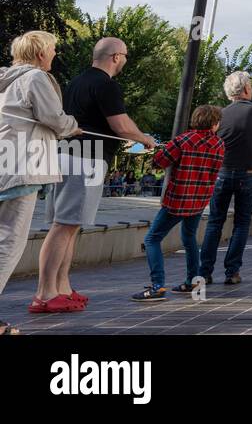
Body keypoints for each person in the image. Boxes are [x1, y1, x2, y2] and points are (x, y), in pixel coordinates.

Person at [33, 37, 155, 315]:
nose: (125, 60)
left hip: (65, 155)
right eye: (124, 55)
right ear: (115, 57)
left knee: (70, 226)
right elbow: (121, 125)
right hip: (85, 160)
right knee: (62, 226)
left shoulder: (77, 82)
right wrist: (144, 138)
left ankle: (62, 287)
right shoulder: (107, 85)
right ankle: (45, 293)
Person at [0, 32, 80, 333]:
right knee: (9, 242)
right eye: (52, 49)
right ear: (40, 53)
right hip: (23, 167)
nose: (55, 53)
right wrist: (72, 126)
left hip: (5, 164)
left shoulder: (6, 80)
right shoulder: (35, 78)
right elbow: (55, 119)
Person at [132, 105, 225, 301]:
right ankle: (192, 281)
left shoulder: (183, 140)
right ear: (214, 124)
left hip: (178, 200)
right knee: (189, 239)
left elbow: (159, 162)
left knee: (152, 239)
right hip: (199, 201)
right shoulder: (219, 145)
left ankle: (157, 286)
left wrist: (160, 149)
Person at [199, 71, 252, 287]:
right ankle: (232, 271)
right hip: (248, 173)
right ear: (246, 89)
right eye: (250, 85)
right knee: (242, 223)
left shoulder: (220, 115)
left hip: (222, 172)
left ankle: (205, 271)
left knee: (215, 222)